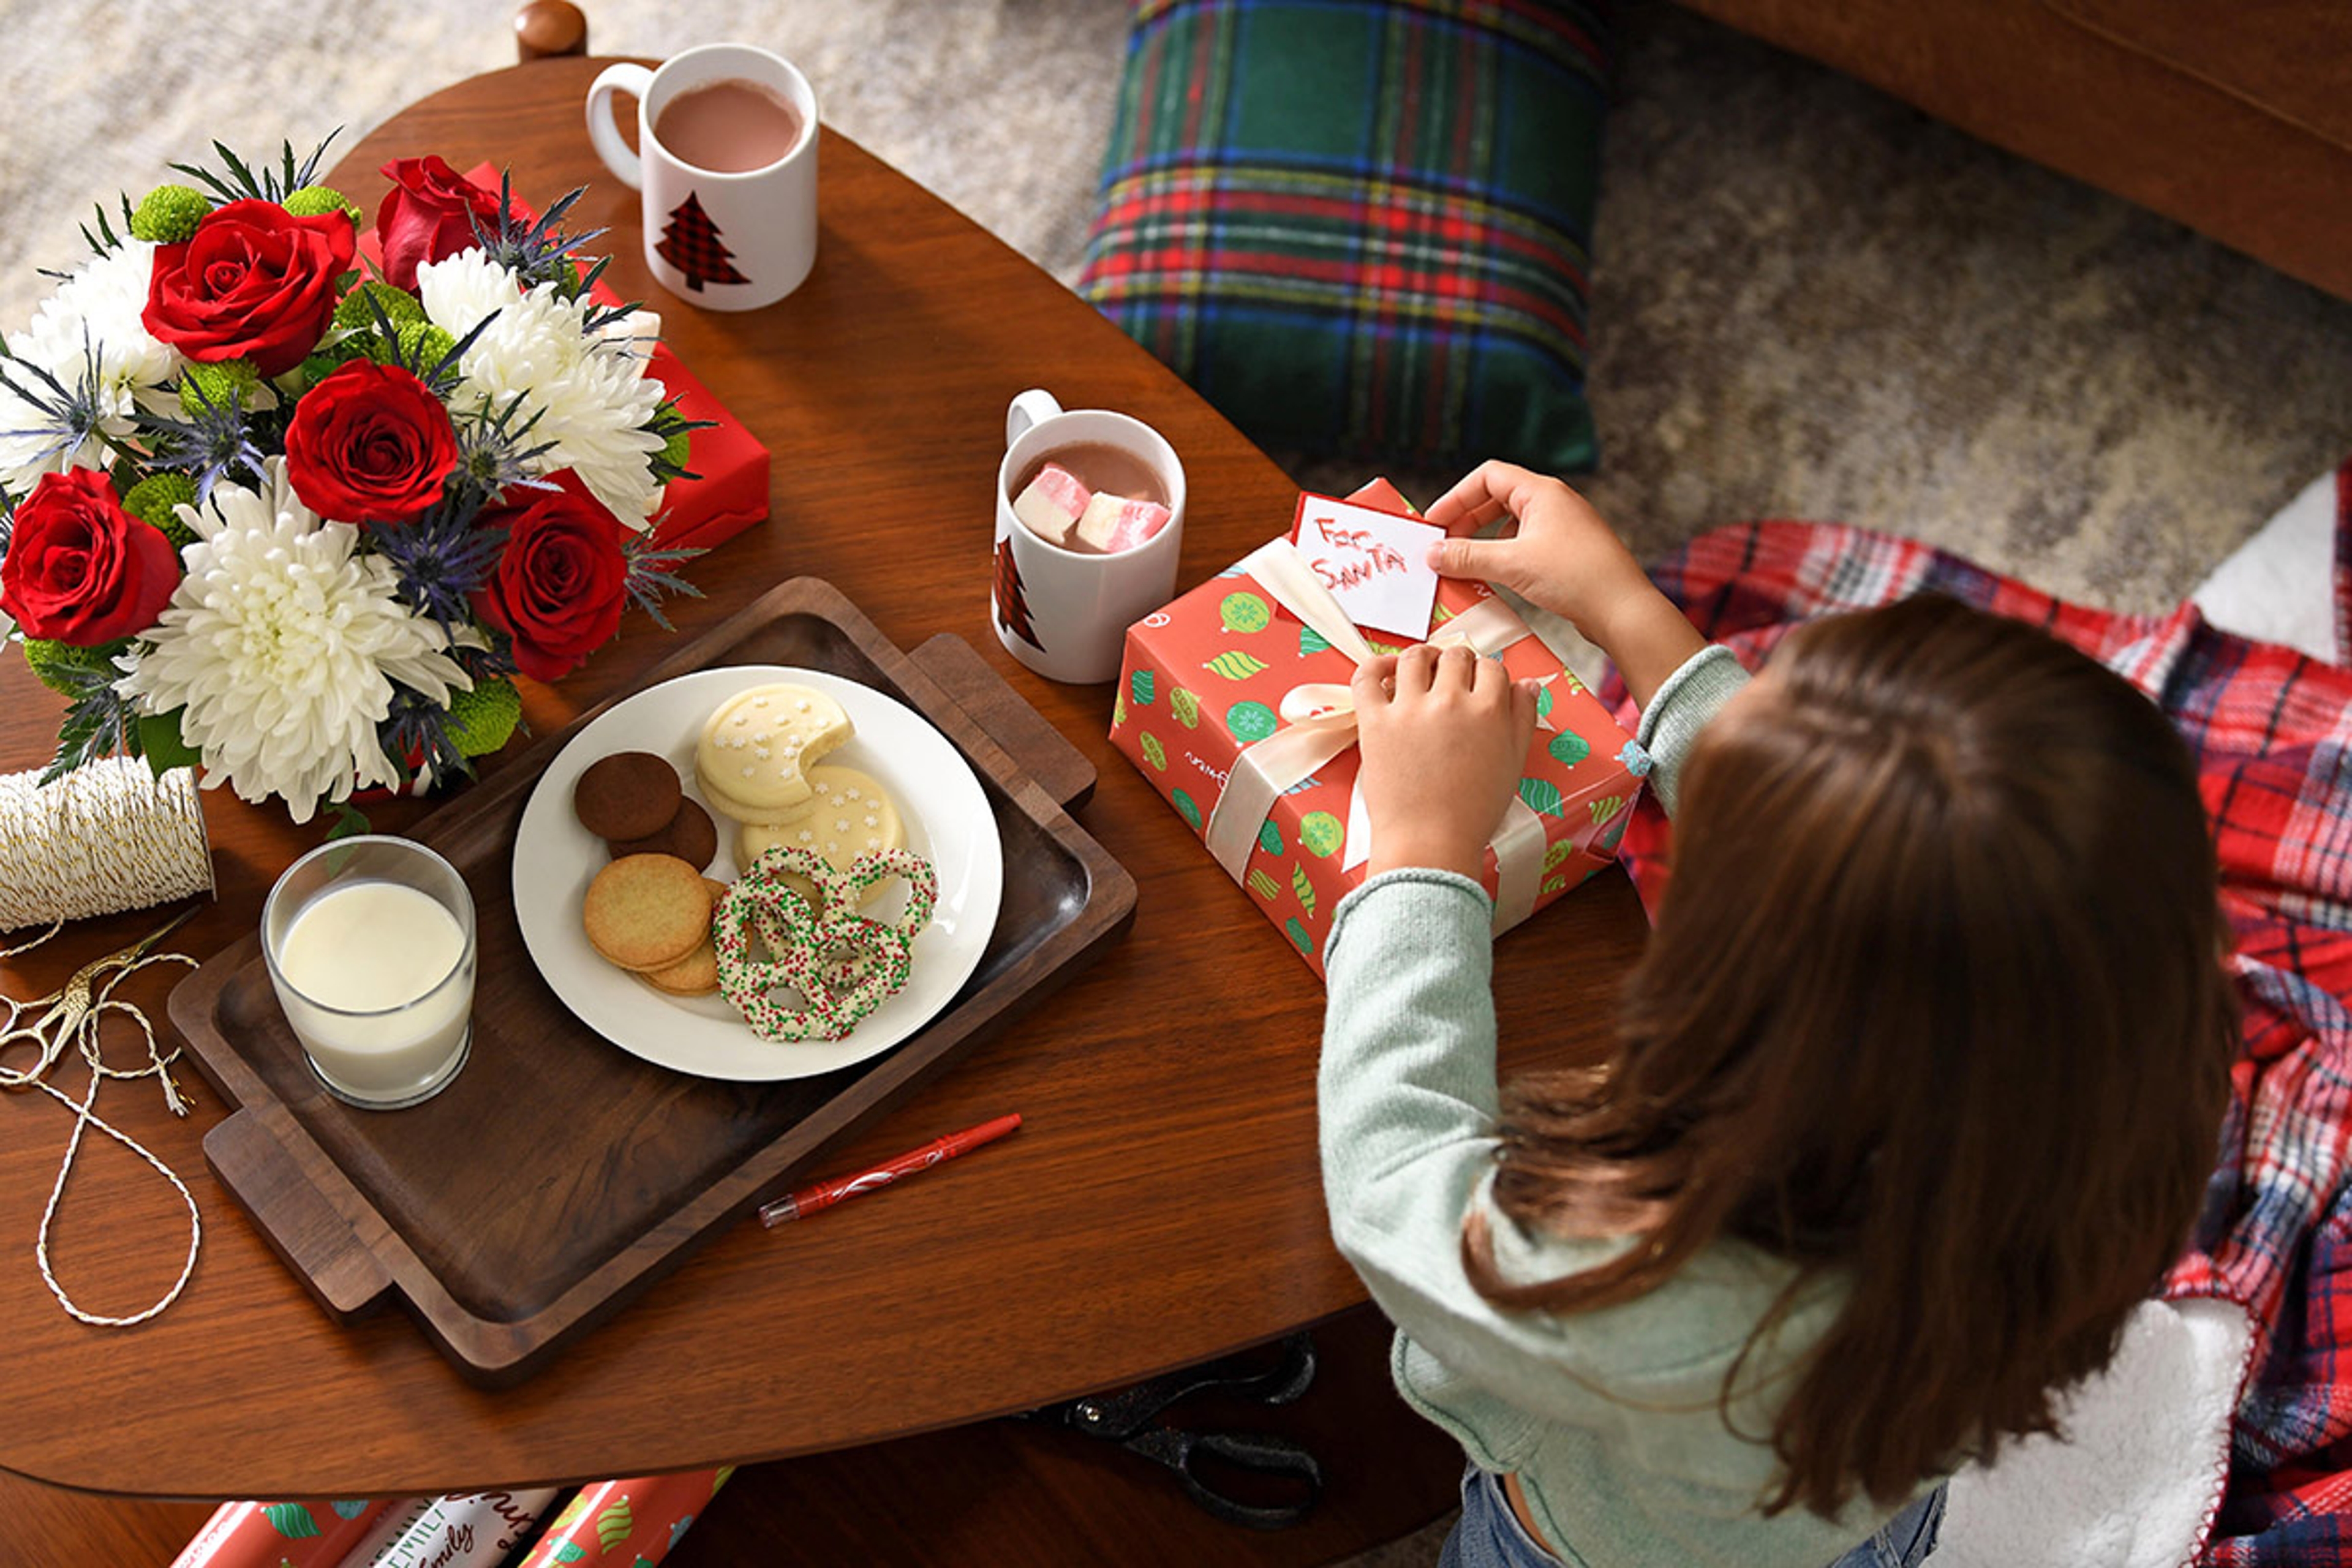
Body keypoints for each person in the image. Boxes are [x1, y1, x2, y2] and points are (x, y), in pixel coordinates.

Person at [1319, 461, 2237, 1568]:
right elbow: (1890, 867)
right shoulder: (2100, 1094)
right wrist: (1626, 613)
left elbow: (1393, 1184)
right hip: (1857, 1511)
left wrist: (1421, 853)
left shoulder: (1661, 1285)